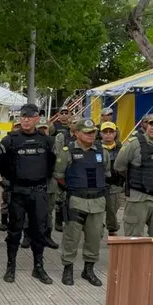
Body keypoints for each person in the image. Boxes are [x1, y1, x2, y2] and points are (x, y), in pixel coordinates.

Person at [0, 103, 56, 284]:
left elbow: (51, 165)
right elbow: (1, 165)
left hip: (39, 192)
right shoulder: (10, 140)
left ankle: (38, 267)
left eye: (30, 117)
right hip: (17, 192)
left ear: (38, 118)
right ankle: (11, 266)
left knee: (39, 230)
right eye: (23, 117)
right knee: (14, 231)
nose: (26, 120)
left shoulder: (47, 141)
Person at [54, 119, 108, 286]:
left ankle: (88, 269)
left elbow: (106, 172)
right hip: (76, 200)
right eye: (86, 132)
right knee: (72, 237)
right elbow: (59, 176)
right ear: (76, 133)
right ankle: (68, 268)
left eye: (92, 132)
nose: (90, 135)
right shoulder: (67, 151)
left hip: (98, 201)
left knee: (94, 237)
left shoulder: (102, 151)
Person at [99, 122, 123, 236]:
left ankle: (112, 229)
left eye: (111, 132)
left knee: (113, 210)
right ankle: (98, 227)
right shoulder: (96, 148)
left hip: (115, 185)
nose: (108, 135)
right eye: (105, 132)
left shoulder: (121, 148)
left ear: (115, 133)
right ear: (101, 134)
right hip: (99, 184)